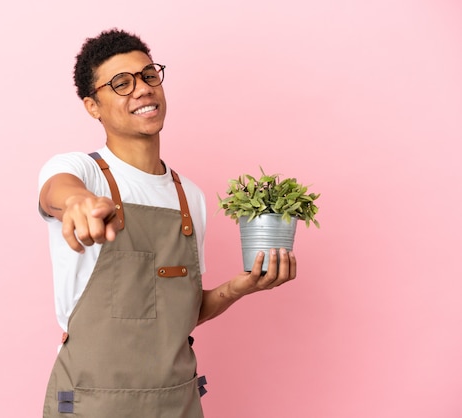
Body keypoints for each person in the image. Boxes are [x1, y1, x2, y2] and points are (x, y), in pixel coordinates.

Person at [38, 28, 297, 418]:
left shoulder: (188, 196)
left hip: (177, 403)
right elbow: (56, 191)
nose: (141, 89)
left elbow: (175, 312)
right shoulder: (82, 171)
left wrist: (238, 288)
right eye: (121, 84)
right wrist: (77, 203)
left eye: (148, 75)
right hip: (94, 403)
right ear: (93, 106)